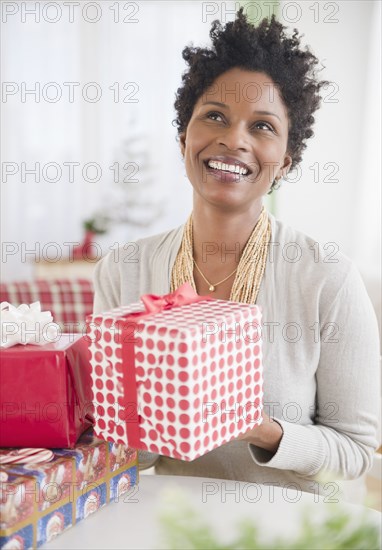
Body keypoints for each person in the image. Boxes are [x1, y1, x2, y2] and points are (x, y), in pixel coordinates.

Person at [93, 10, 380, 502]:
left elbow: (356, 451)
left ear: (285, 160)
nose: (235, 139)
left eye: (263, 126)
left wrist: (260, 429)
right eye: (215, 117)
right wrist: (141, 420)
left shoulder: (327, 277)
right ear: (184, 137)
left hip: (291, 527)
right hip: (171, 520)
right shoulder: (122, 270)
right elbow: (117, 447)